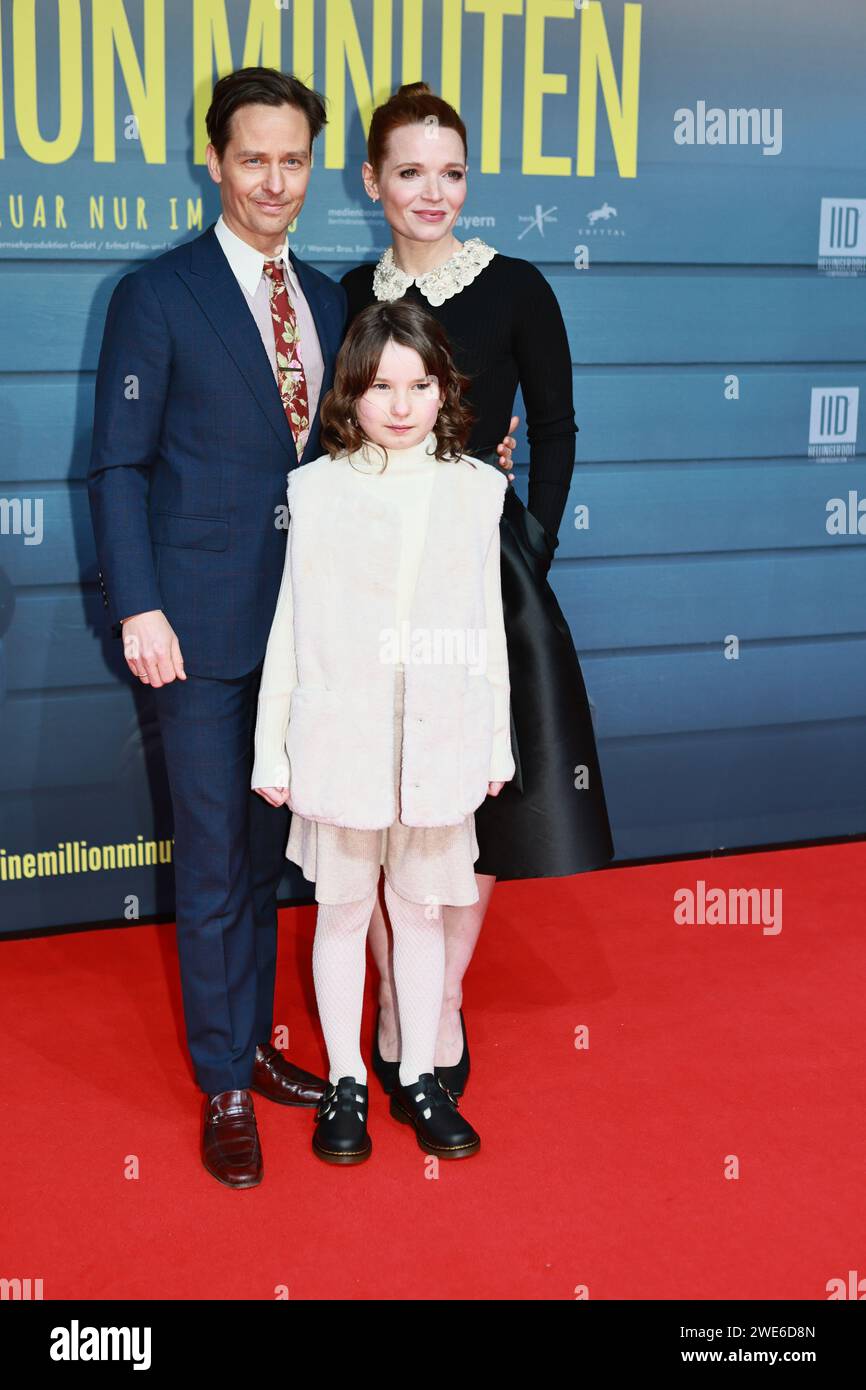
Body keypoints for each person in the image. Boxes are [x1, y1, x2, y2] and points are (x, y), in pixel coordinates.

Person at [87, 67, 341, 1190]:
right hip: (193, 629)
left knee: (262, 850)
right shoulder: (158, 293)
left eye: (293, 160)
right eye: (253, 159)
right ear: (213, 162)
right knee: (208, 857)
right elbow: (116, 466)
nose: (274, 181)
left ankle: (249, 1040)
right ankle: (222, 1081)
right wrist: (140, 605)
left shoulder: (331, 299)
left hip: (310, 632)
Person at [341, 83, 616, 1098]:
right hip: (369, 579)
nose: (433, 192)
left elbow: (558, 425)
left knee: (469, 798)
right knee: (371, 798)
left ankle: (444, 993)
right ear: (371, 181)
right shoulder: (346, 299)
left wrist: (526, 547)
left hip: (482, 573)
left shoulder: (515, 287)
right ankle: (385, 992)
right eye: (410, 172)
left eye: (451, 172)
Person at [251, 299, 514, 1164]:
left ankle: (418, 1079)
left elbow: (488, 626)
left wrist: (497, 740)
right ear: (350, 395)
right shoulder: (314, 490)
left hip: (442, 737)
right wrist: (272, 743)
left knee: (425, 911)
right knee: (340, 911)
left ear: (444, 388)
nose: (401, 405)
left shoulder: (479, 491)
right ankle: (345, 1081)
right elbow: (290, 624)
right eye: (379, 387)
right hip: (341, 736)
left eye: (419, 384)